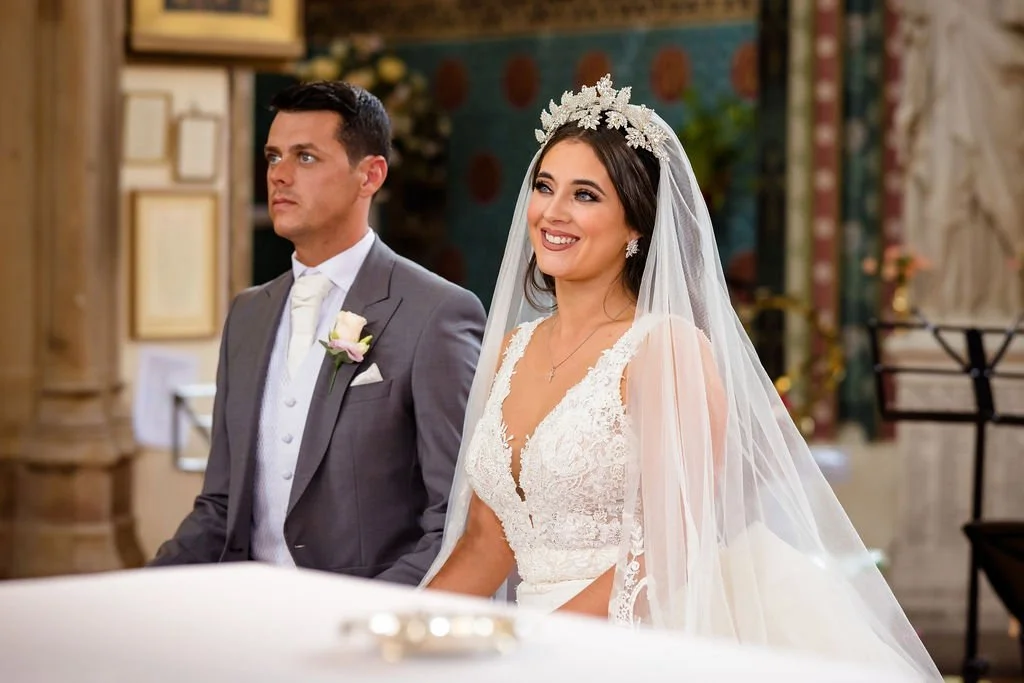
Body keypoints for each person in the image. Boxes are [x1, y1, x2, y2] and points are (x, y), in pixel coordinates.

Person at [421, 76, 942, 679]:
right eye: (545, 186)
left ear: (636, 228)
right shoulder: (511, 350)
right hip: (528, 643)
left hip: (629, 644)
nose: (553, 213)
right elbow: (488, 540)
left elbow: (667, 559)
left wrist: (537, 644)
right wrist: (399, 628)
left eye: (586, 195)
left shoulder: (664, 350)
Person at [150, 81, 486, 586]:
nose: (279, 176)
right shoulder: (247, 313)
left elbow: (456, 522)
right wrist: (140, 589)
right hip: (246, 612)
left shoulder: (436, 313)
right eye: (273, 157)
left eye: (305, 158)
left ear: (369, 175)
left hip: (361, 632)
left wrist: (356, 623)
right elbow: (219, 506)